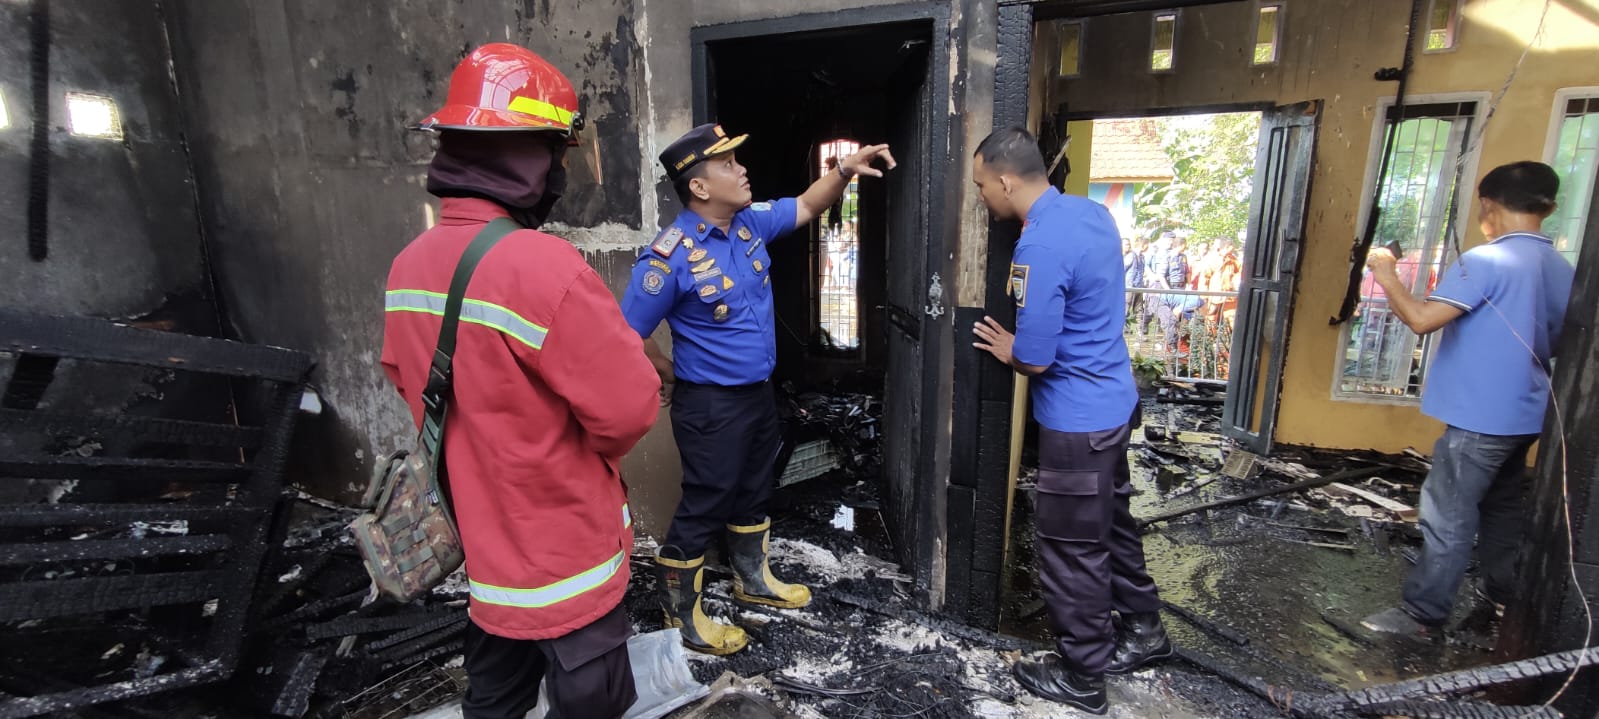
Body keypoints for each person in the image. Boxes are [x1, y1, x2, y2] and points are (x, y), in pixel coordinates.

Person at [381, 45, 661, 719]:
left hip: (485, 558)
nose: (561, 170)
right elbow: (628, 411)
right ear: (526, 158)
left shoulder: (408, 265)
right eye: (556, 153)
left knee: (494, 698)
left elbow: (407, 382)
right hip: (567, 563)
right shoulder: (543, 267)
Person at [620, 124, 895, 655]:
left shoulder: (748, 225)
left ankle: (754, 579)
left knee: (754, 488)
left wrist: (841, 169)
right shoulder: (669, 256)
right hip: (710, 405)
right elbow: (625, 330)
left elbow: (807, 206)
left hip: (756, 396)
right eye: (727, 164)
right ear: (699, 188)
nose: (741, 169)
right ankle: (682, 613)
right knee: (707, 500)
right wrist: (664, 368)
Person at [969, 128, 1167, 716]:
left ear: (1006, 180)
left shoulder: (1040, 245)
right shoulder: (1090, 215)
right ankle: (1144, 630)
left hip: (1078, 421)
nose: (983, 196)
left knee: (1071, 545)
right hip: (1114, 402)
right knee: (1111, 523)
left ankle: (1083, 674)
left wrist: (1011, 350)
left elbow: (1036, 356)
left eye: (982, 186)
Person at [1360, 161, 1574, 635]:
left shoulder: (1486, 261)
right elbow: (1559, 341)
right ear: (1552, 207)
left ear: (1487, 206)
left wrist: (1386, 272)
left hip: (1479, 416)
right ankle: (1505, 596)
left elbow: (1421, 319)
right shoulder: (1563, 269)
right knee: (1501, 508)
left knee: (1447, 515)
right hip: (1526, 414)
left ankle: (1423, 614)